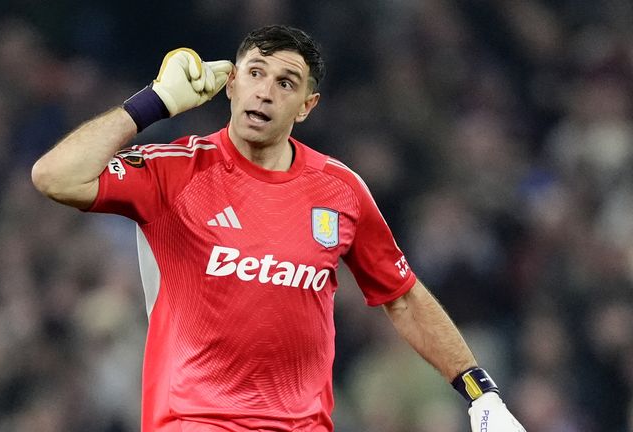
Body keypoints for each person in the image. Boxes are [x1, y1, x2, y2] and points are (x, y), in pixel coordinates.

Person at [32, 25, 526, 432]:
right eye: (254, 73)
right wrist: (153, 103)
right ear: (231, 85)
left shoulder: (340, 190)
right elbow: (54, 176)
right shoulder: (175, 171)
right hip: (195, 422)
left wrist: (479, 390)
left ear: (307, 106)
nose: (265, 92)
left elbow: (401, 294)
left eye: (286, 82)